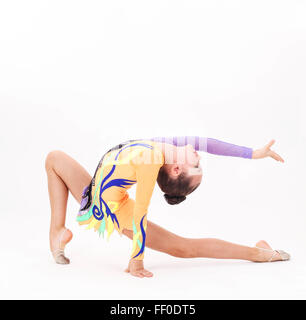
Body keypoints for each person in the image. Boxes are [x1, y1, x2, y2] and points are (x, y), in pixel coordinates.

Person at [45, 136, 290, 278]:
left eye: (197, 166)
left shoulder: (155, 155)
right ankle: (56, 231)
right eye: (198, 166)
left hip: (104, 200)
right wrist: (254, 153)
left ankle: (262, 254)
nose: (200, 158)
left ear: (176, 169)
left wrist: (136, 260)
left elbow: (140, 212)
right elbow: (211, 144)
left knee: (55, 158)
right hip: (102, 200)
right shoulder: (164, 150)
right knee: (184, 248)